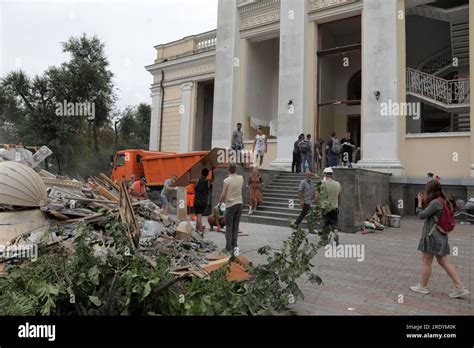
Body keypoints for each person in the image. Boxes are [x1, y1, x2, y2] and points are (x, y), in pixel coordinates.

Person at [410, 180, 469, 298]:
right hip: (441, 235)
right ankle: (459, 287)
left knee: (427, 262)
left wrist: (420, 203)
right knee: (444, 262)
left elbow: (421, 215)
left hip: (432, 236)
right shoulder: (444, 201)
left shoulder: (435, 203)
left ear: (430, 190)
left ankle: (422, 286)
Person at [218, 163, 244, 255]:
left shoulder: (227, 180)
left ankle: (228, 248)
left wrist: (220, 202)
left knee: (229, 227)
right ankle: (235, 246)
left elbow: (223, 194)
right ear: (235, 169)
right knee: (236, 226)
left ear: (228, 169)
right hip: (239, 203)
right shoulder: (241, 178)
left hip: (230, 205)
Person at [194, 168, 210, 235]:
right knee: (199, 215)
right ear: (207, 174)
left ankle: (200, 231)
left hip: (198, 201)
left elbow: (195, 188)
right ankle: (197, 229)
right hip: (204, 201)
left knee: (198, 216)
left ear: (201, 173)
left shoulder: (198, 180)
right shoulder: (207, 181)